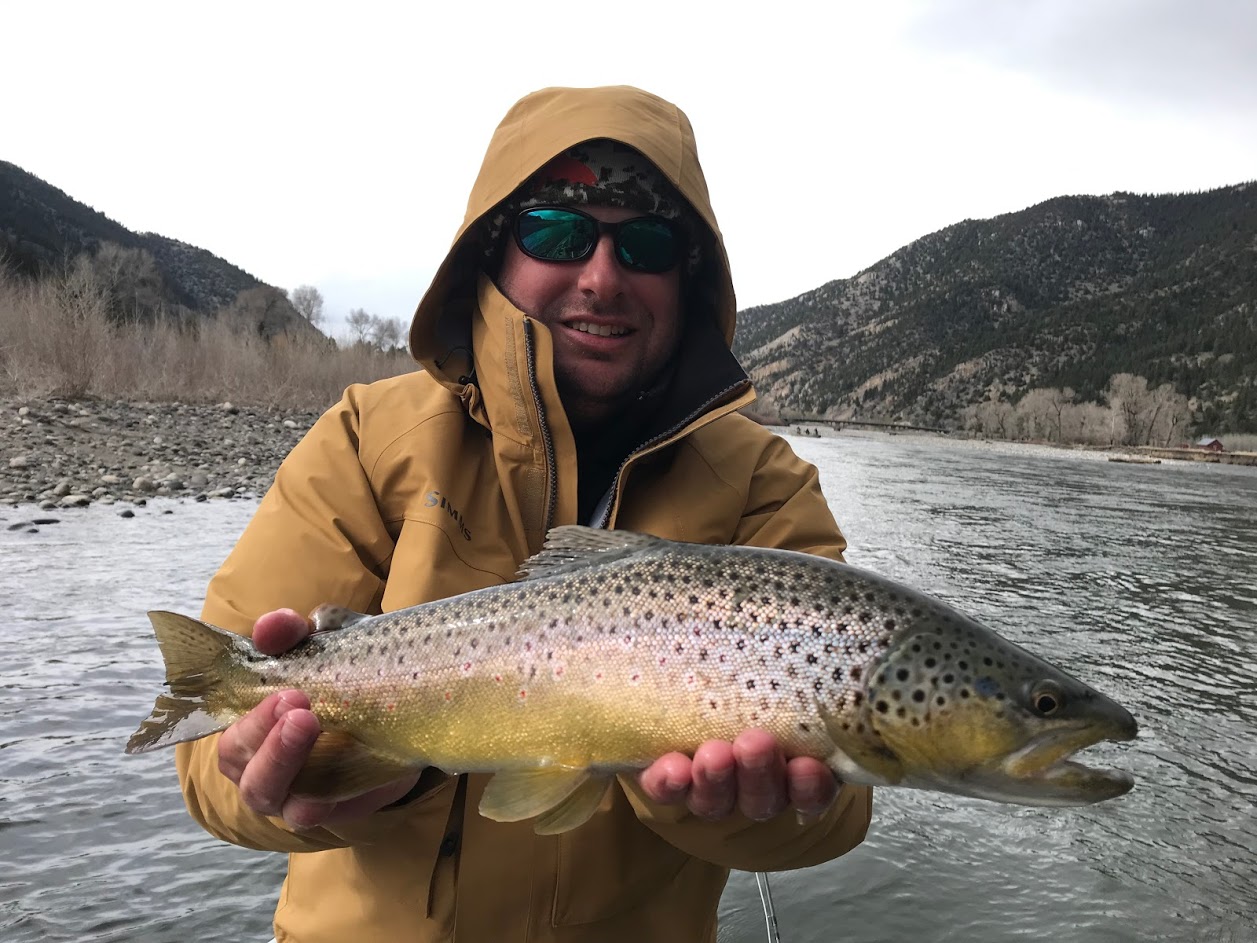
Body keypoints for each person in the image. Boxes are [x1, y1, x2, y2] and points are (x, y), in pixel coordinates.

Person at [175, 85, 872, 942]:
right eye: (558, 231)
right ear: (494, 254)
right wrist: (309, 781)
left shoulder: (767, 484)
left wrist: (734, 812)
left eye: (646, 244)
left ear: (686, 279)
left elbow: (840, 810)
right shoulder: (367, 438)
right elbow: (209, 768)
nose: (602, 276)